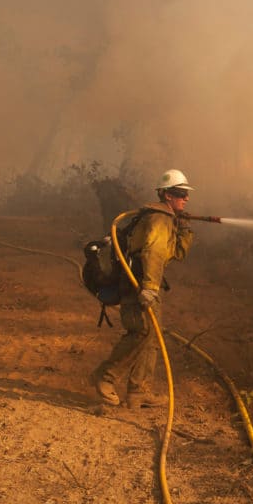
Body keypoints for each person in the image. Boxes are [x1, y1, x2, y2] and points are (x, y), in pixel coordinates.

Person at [91, 169, 195, 408]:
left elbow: (176, 253)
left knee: (151, 337)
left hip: (146, 284)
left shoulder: (165, 219)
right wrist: (149, 287)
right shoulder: (159, 219)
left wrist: (184, 229)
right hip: (139, 284)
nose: (186, 198)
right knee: (141, 332)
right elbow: (153, 252)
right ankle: (105, 377)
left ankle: (139, 391)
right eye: (181, 194)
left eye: (186, 194)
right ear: (167, 195)